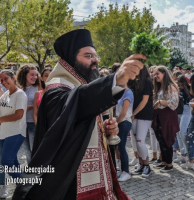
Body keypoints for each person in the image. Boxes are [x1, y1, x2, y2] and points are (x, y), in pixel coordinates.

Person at [12, 29, 145, 200]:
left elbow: (78, 118)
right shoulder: (57, 88)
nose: (95, 60)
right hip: (70, 184)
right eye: (88, 56)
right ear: (71, 58)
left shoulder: (79, 83)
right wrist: (115, 81)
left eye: (96, 56)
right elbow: (76, 103)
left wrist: (103, 129)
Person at [0, 70, 27, 179]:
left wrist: (1, 119)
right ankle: (22, 190)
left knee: (6, 163)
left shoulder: (20, 94)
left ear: (13, 78)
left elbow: (19, 114)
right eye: (1, 80)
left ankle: (24, 187)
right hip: (4, 134)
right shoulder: (6, 94)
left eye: (6, 78)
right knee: (14, 163)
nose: (3, 81)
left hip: (16, 132)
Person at [152, 66, 179, 172]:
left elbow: (174, 103)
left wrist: (160, 102)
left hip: (167, 116)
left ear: (164, 74)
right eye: (154, 74)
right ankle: (163, 161)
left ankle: (169, 164)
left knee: (167, 138)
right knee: (161, 139)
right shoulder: (159, 87)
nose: (155, 76)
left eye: (157, 73)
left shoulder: (171, 86)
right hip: (159, 115)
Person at [130, 67, 154, 177]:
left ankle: (147, 165)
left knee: (140, 141)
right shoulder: (134, 82)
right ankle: (141, 164)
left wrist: (133, 113)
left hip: (144, 115)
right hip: (134, 115)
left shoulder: (147, 82)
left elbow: (144, 101)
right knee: (135, 141)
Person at [16, 65, 40, 164]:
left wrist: (29, 107)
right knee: (27, 151)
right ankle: (31, 172)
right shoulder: (19, 88)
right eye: (32, 75)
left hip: (33, 124)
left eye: (36, 75)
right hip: (21, 125)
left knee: (34, 150)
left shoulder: (38, 88)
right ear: (24, 75)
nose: (35, 77)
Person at [115, 82, 134, 182]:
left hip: (124, 122)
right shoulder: (121, 93)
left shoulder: (128, 93)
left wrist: (116, 123)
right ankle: (123, 170)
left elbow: (124, 112)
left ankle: (126, 171)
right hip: (121, 121)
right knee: (119, 147)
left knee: (121, 147)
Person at [173, 75, 192, 164]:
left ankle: (189, 153)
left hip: (187, 109)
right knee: (178, 132)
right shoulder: (177, 89)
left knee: (182, 132)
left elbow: (191, 100)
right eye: (179, 85)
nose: (180, 87)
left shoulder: (189, 89)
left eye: (181, 85)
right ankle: (183, 154)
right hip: (179, 110)